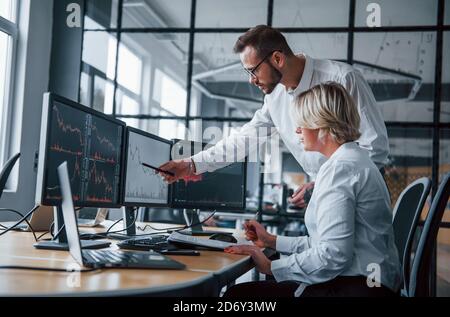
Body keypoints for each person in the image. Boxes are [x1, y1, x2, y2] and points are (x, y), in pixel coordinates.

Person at [158, 25, 389, 208]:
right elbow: (244, 140)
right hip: (320, 197)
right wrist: (190, 164)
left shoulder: (343, 78)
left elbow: (375, 148)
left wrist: (323, 185)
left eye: (253, 70)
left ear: (277, 59)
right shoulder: (276, 97)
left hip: (357, 193)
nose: (251, 79)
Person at [223, 82, 401, 297]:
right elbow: (324, 243)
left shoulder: (340, 169)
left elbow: (333, 254)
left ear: (322, 124)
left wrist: (272, 267)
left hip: (358, 288)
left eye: (301, 122)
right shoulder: (353, 161)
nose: (297, 129)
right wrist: (271, 241)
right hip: (369, 282)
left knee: (239, 296)